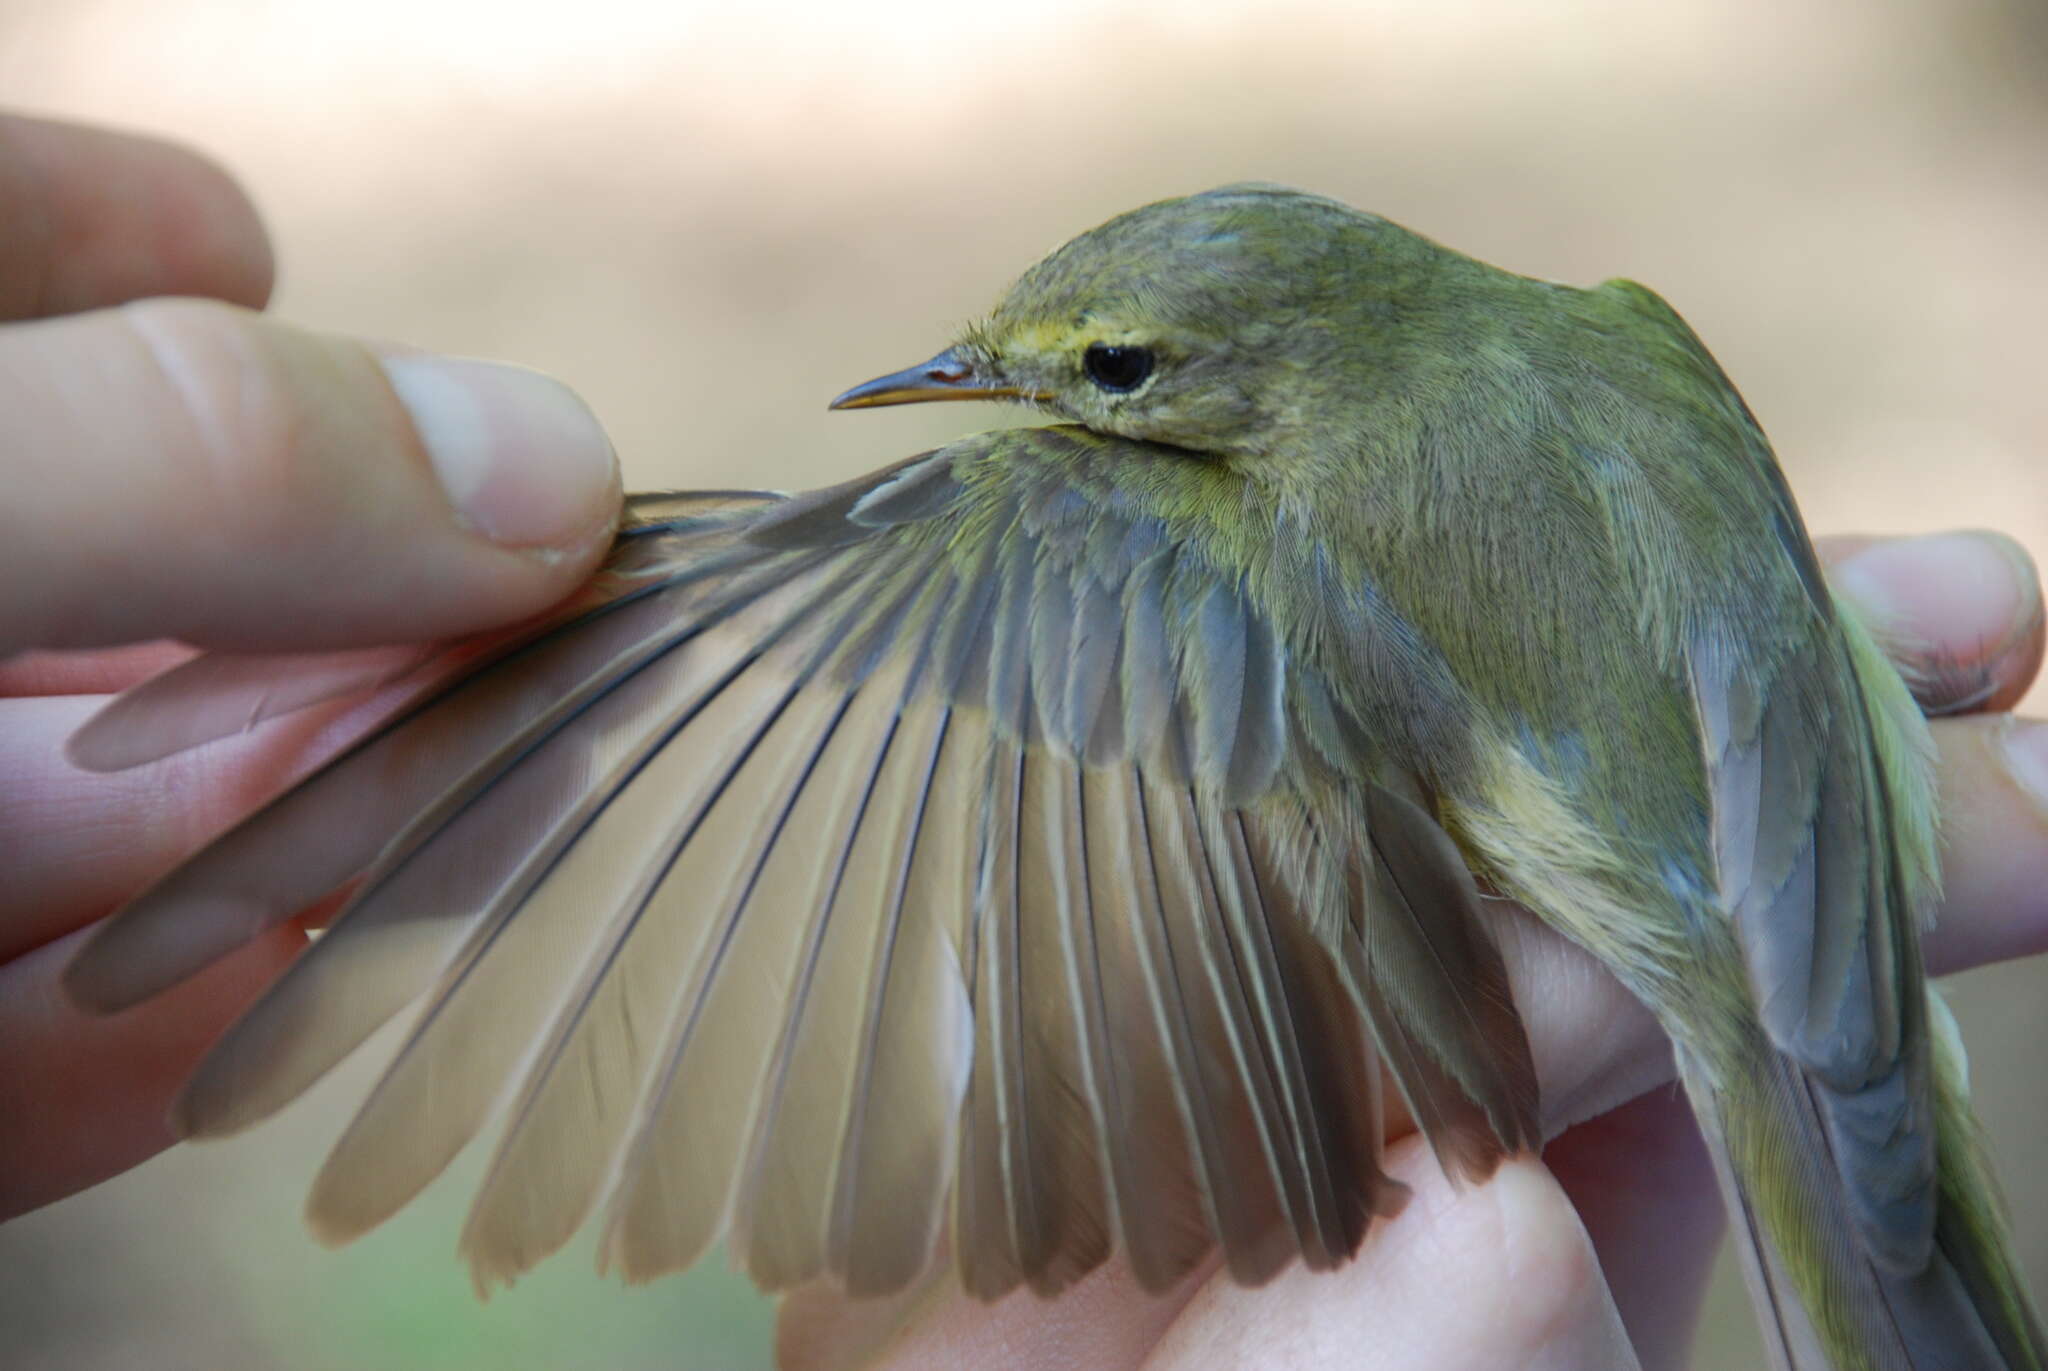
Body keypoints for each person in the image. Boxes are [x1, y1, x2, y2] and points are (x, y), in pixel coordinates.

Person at [1, 111, 2041, 1370]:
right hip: (1818, 845)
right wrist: (1807, 966)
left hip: (1728, 928)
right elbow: (1771, 667)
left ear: (1267, 375)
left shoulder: (1130, 518)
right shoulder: (1628, 339)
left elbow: (796, 700)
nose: (1022, 402)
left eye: (1111, 372)